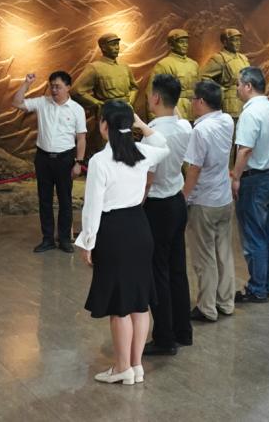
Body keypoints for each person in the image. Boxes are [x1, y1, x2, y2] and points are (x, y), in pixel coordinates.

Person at [75, 101, 170, 386]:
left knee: (120, 305)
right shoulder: (142, 152)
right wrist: (142, 125)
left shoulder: (100, 161)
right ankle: (136, 366)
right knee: (139, 303)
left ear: (104, 126)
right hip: (139, 227)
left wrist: (87, 241)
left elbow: (92, 207)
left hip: (113, 232)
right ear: (129, 125)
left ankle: (121, 368)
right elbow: (163, 144)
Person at [142, 74, 194, 356]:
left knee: (158, 272)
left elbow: (148, 180)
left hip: (158, 205)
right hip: (176, 200)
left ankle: (164, 337)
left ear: (156, 98)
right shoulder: (184, 126)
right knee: (177, 270)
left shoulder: (153, 135)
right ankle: (182, 330)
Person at [13, 71, 87, 253]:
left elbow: (81, 138)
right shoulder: (42, 102)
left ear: (68, 87)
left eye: (58, 87)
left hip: (65, 159)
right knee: (44, 200)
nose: (54, 90)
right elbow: (16, 103)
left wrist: (78, 162)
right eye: (52, 86)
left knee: (65, 200)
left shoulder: (77, 109)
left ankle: (64, 239)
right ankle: (47, 239)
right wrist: (26, 83)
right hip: (43, 158)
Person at [183, 79, 236, 323]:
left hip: (204, 200)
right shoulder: (227, 121)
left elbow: (194, 168)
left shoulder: (200, 130)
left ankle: (206, 308)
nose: (192, 103)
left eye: (193, 99)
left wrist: (184, 196)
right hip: (223, 197)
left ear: (201, 101)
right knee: (223, 252)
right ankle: (225, 302)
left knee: (204, 257)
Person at [231, 67, 269, 303]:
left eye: (238, 84)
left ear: (248, 86)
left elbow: (245, 150)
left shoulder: (250, 113)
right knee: (268, 235)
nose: (237, 89)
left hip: (255, 179)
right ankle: (268, 285)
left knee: (254, 238)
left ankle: (257, 288)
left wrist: (236, 177)